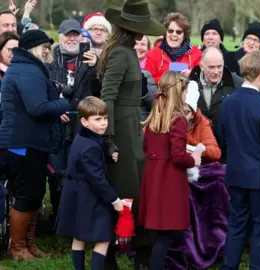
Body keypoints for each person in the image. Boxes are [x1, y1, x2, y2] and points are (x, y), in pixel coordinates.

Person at [99, 0, 165, 268]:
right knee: (128, 191)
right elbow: (108, 96)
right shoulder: (120, 53)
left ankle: (136, 252)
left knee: (135, 190)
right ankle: (122, 253)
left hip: (130, 126)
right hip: (122, 131)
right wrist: (109, 137)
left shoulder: (123, 50)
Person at [0, 29, 67, 260]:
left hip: (31, 142)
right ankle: (17, 248)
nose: (47, 49)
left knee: (36, 193)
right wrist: (62, 103)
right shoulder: (28, 70)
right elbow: (37, 108)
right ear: (31, 48)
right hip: (23, 143)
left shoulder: (29, 68)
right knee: (27, 194)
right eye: (43, 46)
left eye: (49, 45)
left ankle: (29, 245)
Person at [220, 50, 260, 269]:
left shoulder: (228, 103)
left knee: (236, 223)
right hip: (259, 175)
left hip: (235, 171)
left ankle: (230, 266)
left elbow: (223, 138)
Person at [139, 71, 202, 269]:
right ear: (178, 93)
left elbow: (147, 147)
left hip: (153, 175)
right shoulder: (178, 120)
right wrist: (195, 159)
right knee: (166, 234)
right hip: (169, 180)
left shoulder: (155, 116)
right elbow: (178, 154)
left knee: (158, 232)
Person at [56, 96, 125, 270]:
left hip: (75, 193)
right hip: (89, 197)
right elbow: (97, 179)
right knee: (103, 237)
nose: (103, 123)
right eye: (98, 119)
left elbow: (85, 164)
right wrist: (115, 201)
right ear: (85, 122)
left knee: (78, 237)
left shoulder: (83, 139)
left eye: (105, 118)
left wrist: (106, 158)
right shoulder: (91, 146)